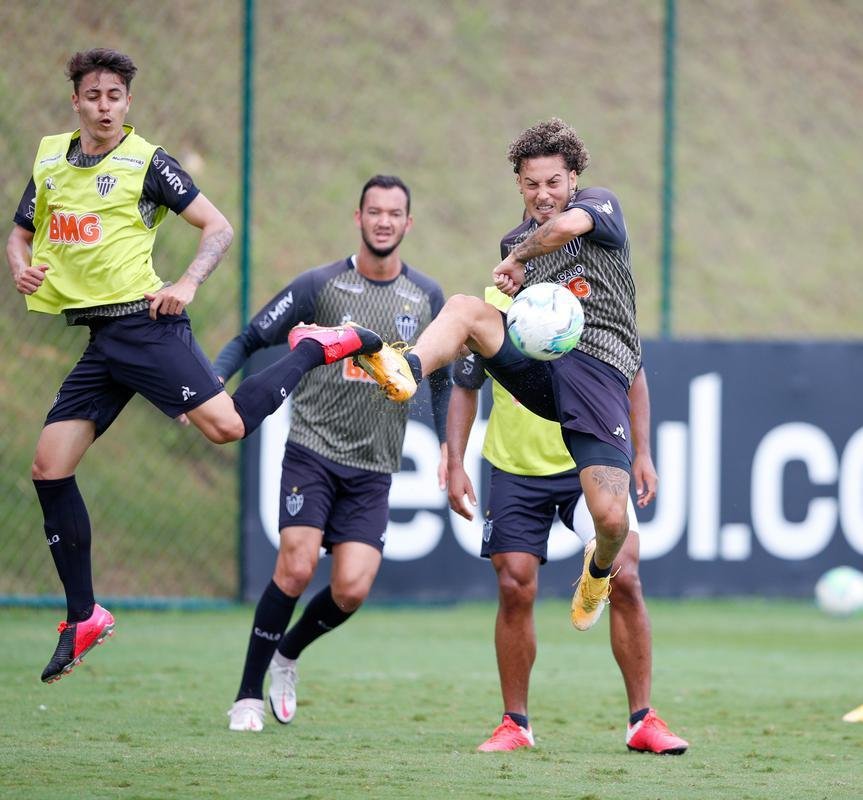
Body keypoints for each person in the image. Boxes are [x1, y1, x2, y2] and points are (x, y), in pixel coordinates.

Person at [7, 49, 383, 685]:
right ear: (75, 100)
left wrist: (185, 281)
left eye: (115, 96)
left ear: (128, 103)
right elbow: (21, 230)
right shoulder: (49, 159)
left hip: (144, 326)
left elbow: (218, 227)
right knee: (49, 467)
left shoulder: (147, 162)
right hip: (103, 339)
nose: (104, 106)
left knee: (227, 426)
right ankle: (84, 615)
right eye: (93, 95)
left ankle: (318, 347)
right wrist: (19, 263)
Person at [358, 117, 643, 633]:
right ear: (518, 182)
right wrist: (455, 456)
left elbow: (558, 231)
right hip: (540, 374)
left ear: (574, 178)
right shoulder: (514, 241)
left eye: (554, 182)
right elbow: (472, 375)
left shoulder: (600, 206)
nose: (543, 194)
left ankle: (597, 573)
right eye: (531, 183)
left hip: (599, 378)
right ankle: (406, 368)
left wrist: (517, 258)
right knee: (466, 309)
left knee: (611, 520)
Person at [215, 175, 451, 732]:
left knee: (351, 589)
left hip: (375, 467)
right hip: (312, 452)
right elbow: (250, 339)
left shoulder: (426, 299)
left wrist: (448, 446)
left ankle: (288, 655)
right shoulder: (321, 285)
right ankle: (247, 696)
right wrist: (210, 387)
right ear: (358, 217)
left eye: (395, 213)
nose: (384, 221)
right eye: (375, 211)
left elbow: (442, 380)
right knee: (295, 568)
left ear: (408, 223)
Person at [446, 287, 687, 754]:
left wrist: (642, 452)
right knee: (515, 586)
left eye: (554, 208)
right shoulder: (495, 303)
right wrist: (454, 459)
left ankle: (642, 721)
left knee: (627, 573)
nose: (544, 210)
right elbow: (465, 384)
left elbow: (632, 373)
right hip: (516, 469)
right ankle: (515, 723)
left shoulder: (595, 298)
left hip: (588, 466)